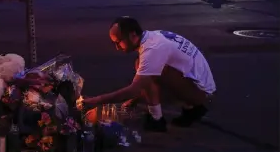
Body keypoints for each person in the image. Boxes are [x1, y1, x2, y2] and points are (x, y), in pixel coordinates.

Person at [83, 17, 216, 132]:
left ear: (132, 35)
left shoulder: (153, 48)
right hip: (195, 83)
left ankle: (160, 119)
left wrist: (97, 101)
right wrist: (133, 101)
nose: (117, 47)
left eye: (118, 42)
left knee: (147, 75)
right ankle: (181, 110)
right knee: (142, 67)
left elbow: (134, 89)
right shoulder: (151, 37)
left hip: (202, 92)